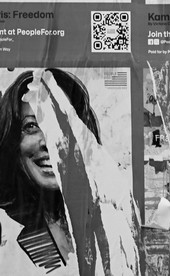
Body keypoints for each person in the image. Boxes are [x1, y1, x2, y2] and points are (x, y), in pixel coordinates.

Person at [0, 69, 101, 272]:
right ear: (12, 143)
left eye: (63, 124)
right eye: (31, 126)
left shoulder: (107, 225)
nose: (50, 141)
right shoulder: (8, 233)